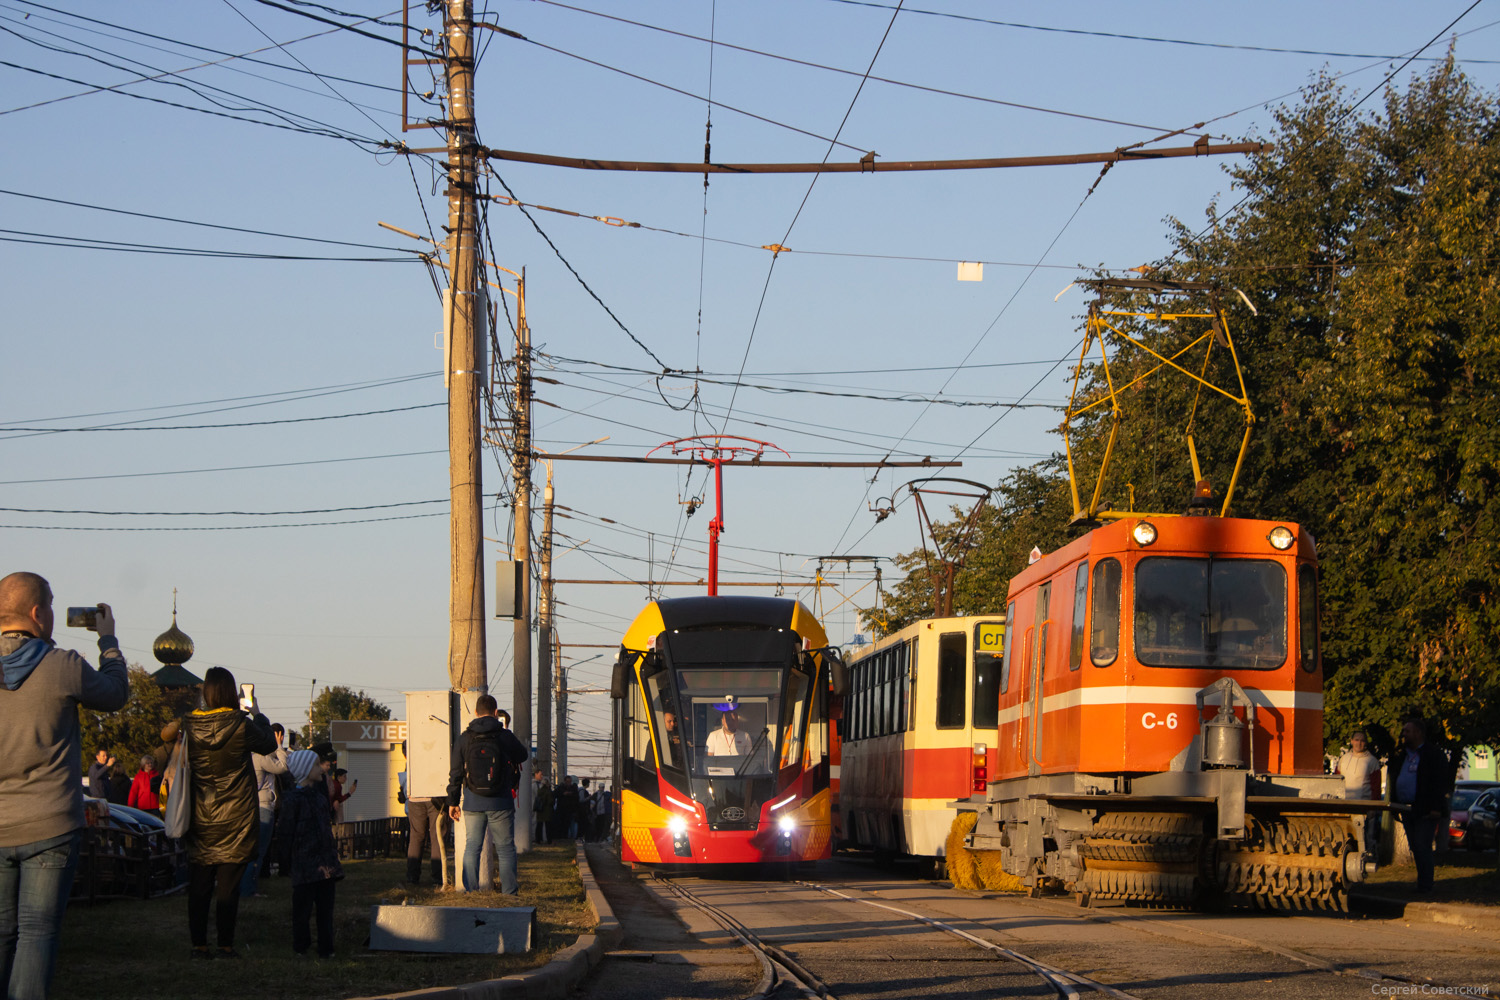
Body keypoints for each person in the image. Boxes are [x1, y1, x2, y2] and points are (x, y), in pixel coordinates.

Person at [0, 573, 128, 1000]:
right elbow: (115, 693)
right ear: (37, 613)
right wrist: (107, 641)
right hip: (50, 822)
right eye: (51, 606)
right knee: (37, 933)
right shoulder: (61, 665)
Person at [181, 666, 277, 959]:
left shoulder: (190, 725)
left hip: (200, 815)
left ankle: (199, 944)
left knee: (199, 885)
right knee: (228, 886)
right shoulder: (240, 724)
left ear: (206, 693)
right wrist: (257, 712)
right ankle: (225, 944)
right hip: (235, 816)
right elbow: (269, 743)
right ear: (232, 693)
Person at [447, 694, 528, 894]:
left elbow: (456, 773)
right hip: (500, 801)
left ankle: (470, 891)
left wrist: (453, 802)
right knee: (505, 847)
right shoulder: (504, 736)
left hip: (473, 802)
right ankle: (510, 893)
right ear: (495, 712)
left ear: (475, 712)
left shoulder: (465, 738)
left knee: (473, 846)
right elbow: (523, 755)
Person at [277, 749, 341, 958]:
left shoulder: (319, 797)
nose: (321, 768)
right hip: (304, 863)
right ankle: (301, 945)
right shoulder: (293, 799)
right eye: (315, 765)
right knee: (302, 909)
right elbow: (286, 831)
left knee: (325, 908)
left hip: (324, 862)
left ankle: (326, 946)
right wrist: (285, 860)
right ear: (304, 770)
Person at [1390, 717, 1447, 893]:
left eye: (1407, 731)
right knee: (1415, 846)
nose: (1404, 734)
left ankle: (1426, 885)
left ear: (1418, 733)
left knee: (1423, 846)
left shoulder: (1432, 754)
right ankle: (1422, 882)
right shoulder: (1402, 754)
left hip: (1425, 809)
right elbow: (1395, 776)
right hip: (1405, 808)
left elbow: (1440, 782)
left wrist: (1436, 807)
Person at [240, 723, 289, 899]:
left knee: (251, 850)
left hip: (250, 806)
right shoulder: (260, 757)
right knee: (259, 850)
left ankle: (246, 887)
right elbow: (284, 766)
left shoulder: (248, 756)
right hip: (264, 806)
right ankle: (248, 889)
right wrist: (278, 746)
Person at [1337, 731, 1382, 799]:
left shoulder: (1372, 761)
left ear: (1366, 742)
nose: (1359, 743)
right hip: (1344, 805)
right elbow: (1336, 781)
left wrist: (1373, 808)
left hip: (1363, 806)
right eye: (1356, 740)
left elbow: (1376, 789)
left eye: (1362, 741)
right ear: (1351, 741)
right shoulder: (1343, 759)